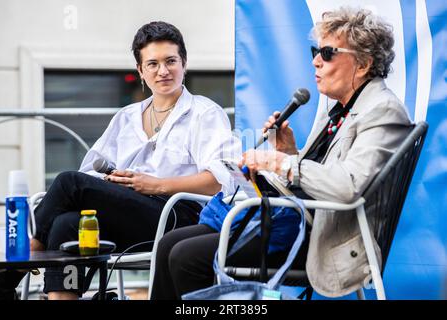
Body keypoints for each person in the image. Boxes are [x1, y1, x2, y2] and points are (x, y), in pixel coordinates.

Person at [150, 7, 412, 299]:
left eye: (327, 53)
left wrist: (282, 162)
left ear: (362, 64)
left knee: (186, 256)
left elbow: (347, 186)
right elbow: (317, 178)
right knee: (170, 243)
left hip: (324, 239)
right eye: (316, 50)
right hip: (298, 223)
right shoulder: (339, 108)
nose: (315, 61)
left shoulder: (382, 110)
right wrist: (288, 151)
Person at [0, 21, 240, 300]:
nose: (163, 71)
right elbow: (91, 171)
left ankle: (12, 272)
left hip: (179, 219)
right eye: (153, 64)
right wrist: (114, 182)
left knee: (68, 181)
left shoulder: (204, 113)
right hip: (127, 216)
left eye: (171, 61)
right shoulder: (126, 117)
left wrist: (157, 185)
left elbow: (219, 181)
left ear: (184, 63)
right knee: (67, 223)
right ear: (140, 71)